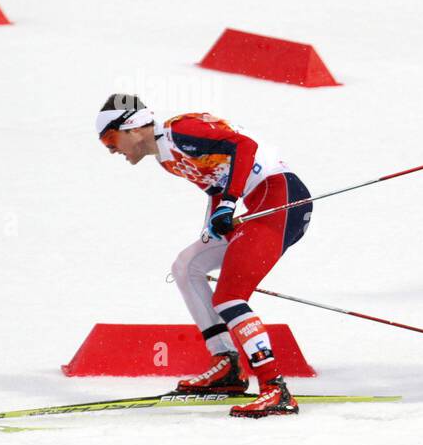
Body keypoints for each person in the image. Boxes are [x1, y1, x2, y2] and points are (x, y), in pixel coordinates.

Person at [95, 94, 312, 418]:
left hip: (277, 197)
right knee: (186, 267)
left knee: (229, 296)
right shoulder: (166, 159)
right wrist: (214, 224)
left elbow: (244, 146)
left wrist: (228, 204)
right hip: (257, 204)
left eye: (111, 139)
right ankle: (226, 364)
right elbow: (216, 185)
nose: (112, 150)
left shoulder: (179, 131)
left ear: (133, 127)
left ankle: (274, 389)